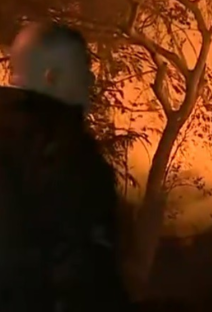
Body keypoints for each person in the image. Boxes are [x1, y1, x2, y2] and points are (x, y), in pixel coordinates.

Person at [0, 21, 129, 311]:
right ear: (51, 77)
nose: (90, 82)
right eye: (83, 71)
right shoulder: (64, 151)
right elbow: (85, 275)